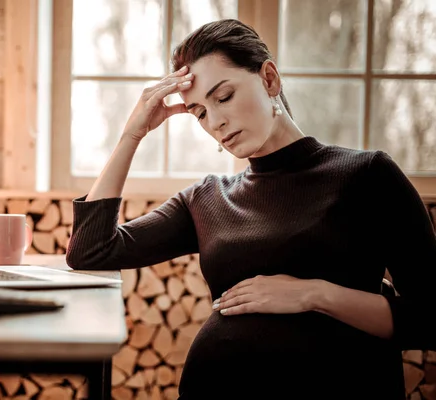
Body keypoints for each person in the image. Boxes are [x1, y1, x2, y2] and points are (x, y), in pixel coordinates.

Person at [66, 18, 436, 399]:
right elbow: (91, 250)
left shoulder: (367, 175)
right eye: (200, 112)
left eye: (223, 97)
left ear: (270, 79)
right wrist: (133, 133)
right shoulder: (207, 197)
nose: (216, 122)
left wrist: (314, 294)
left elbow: (430, 318)